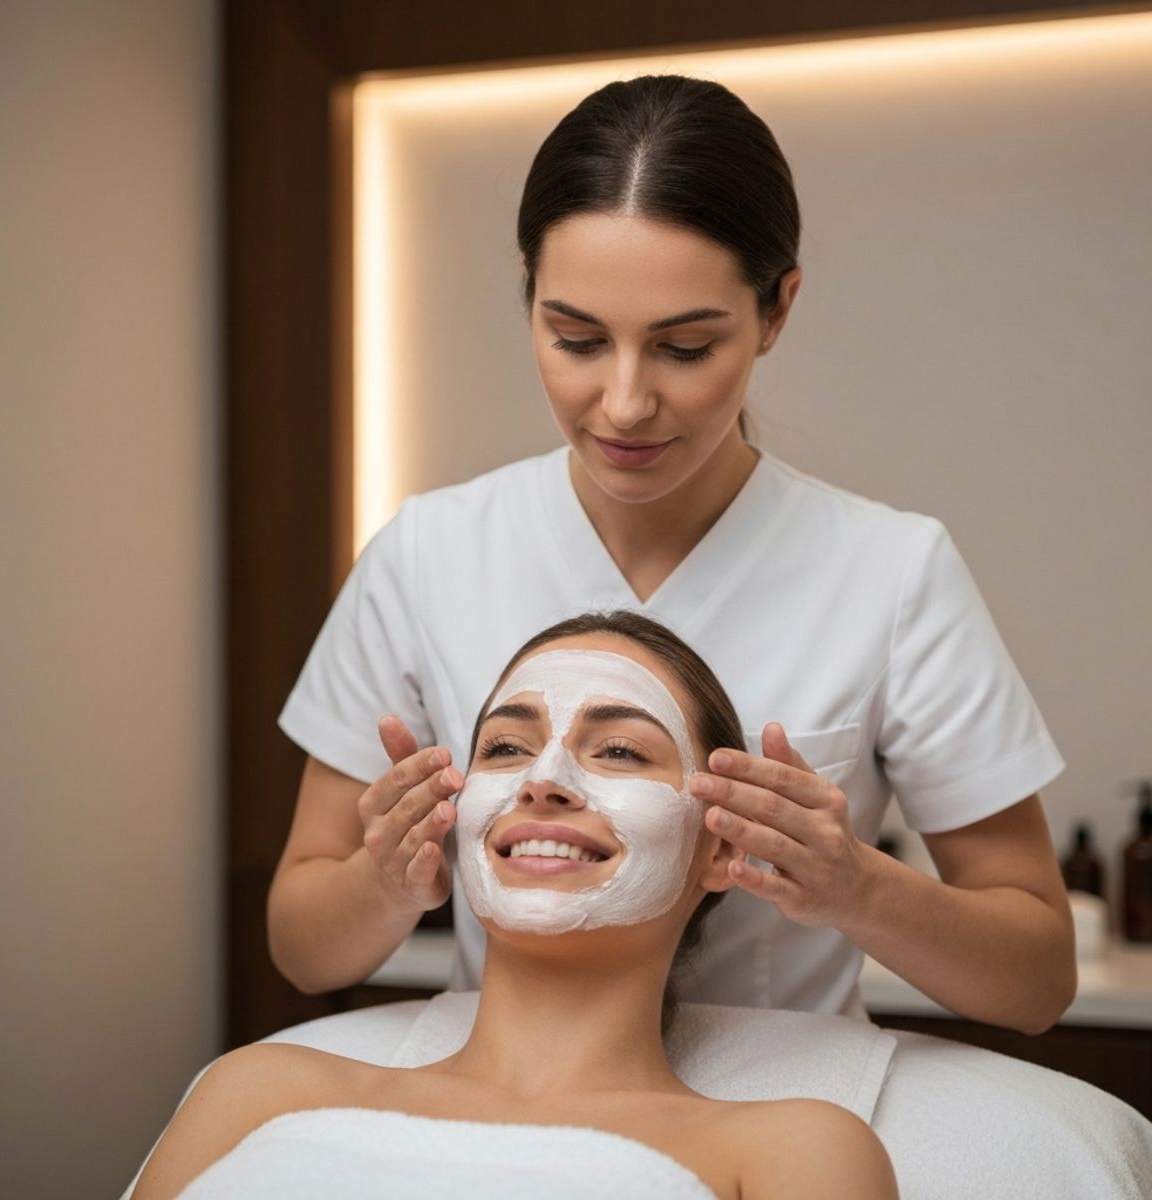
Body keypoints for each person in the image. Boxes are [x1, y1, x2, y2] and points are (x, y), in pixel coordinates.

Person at [270, 74, 1075, 1032]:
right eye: (574, 338)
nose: (622, 404)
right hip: (508, 1112)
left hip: (779, 1120)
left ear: (777, 312)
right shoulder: (428, 552)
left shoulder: (891, 572)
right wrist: (385, 882)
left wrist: (855, 887)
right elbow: (301, 944)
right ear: (529, 299)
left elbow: (1037, 980)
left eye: (684, 349)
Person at [132, 615, 899, 1199]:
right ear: (453, 817)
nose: (545, 777)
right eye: (504, 748)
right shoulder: (256, 1091)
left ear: (722, 849)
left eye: (621, 751)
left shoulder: (794, 1153)